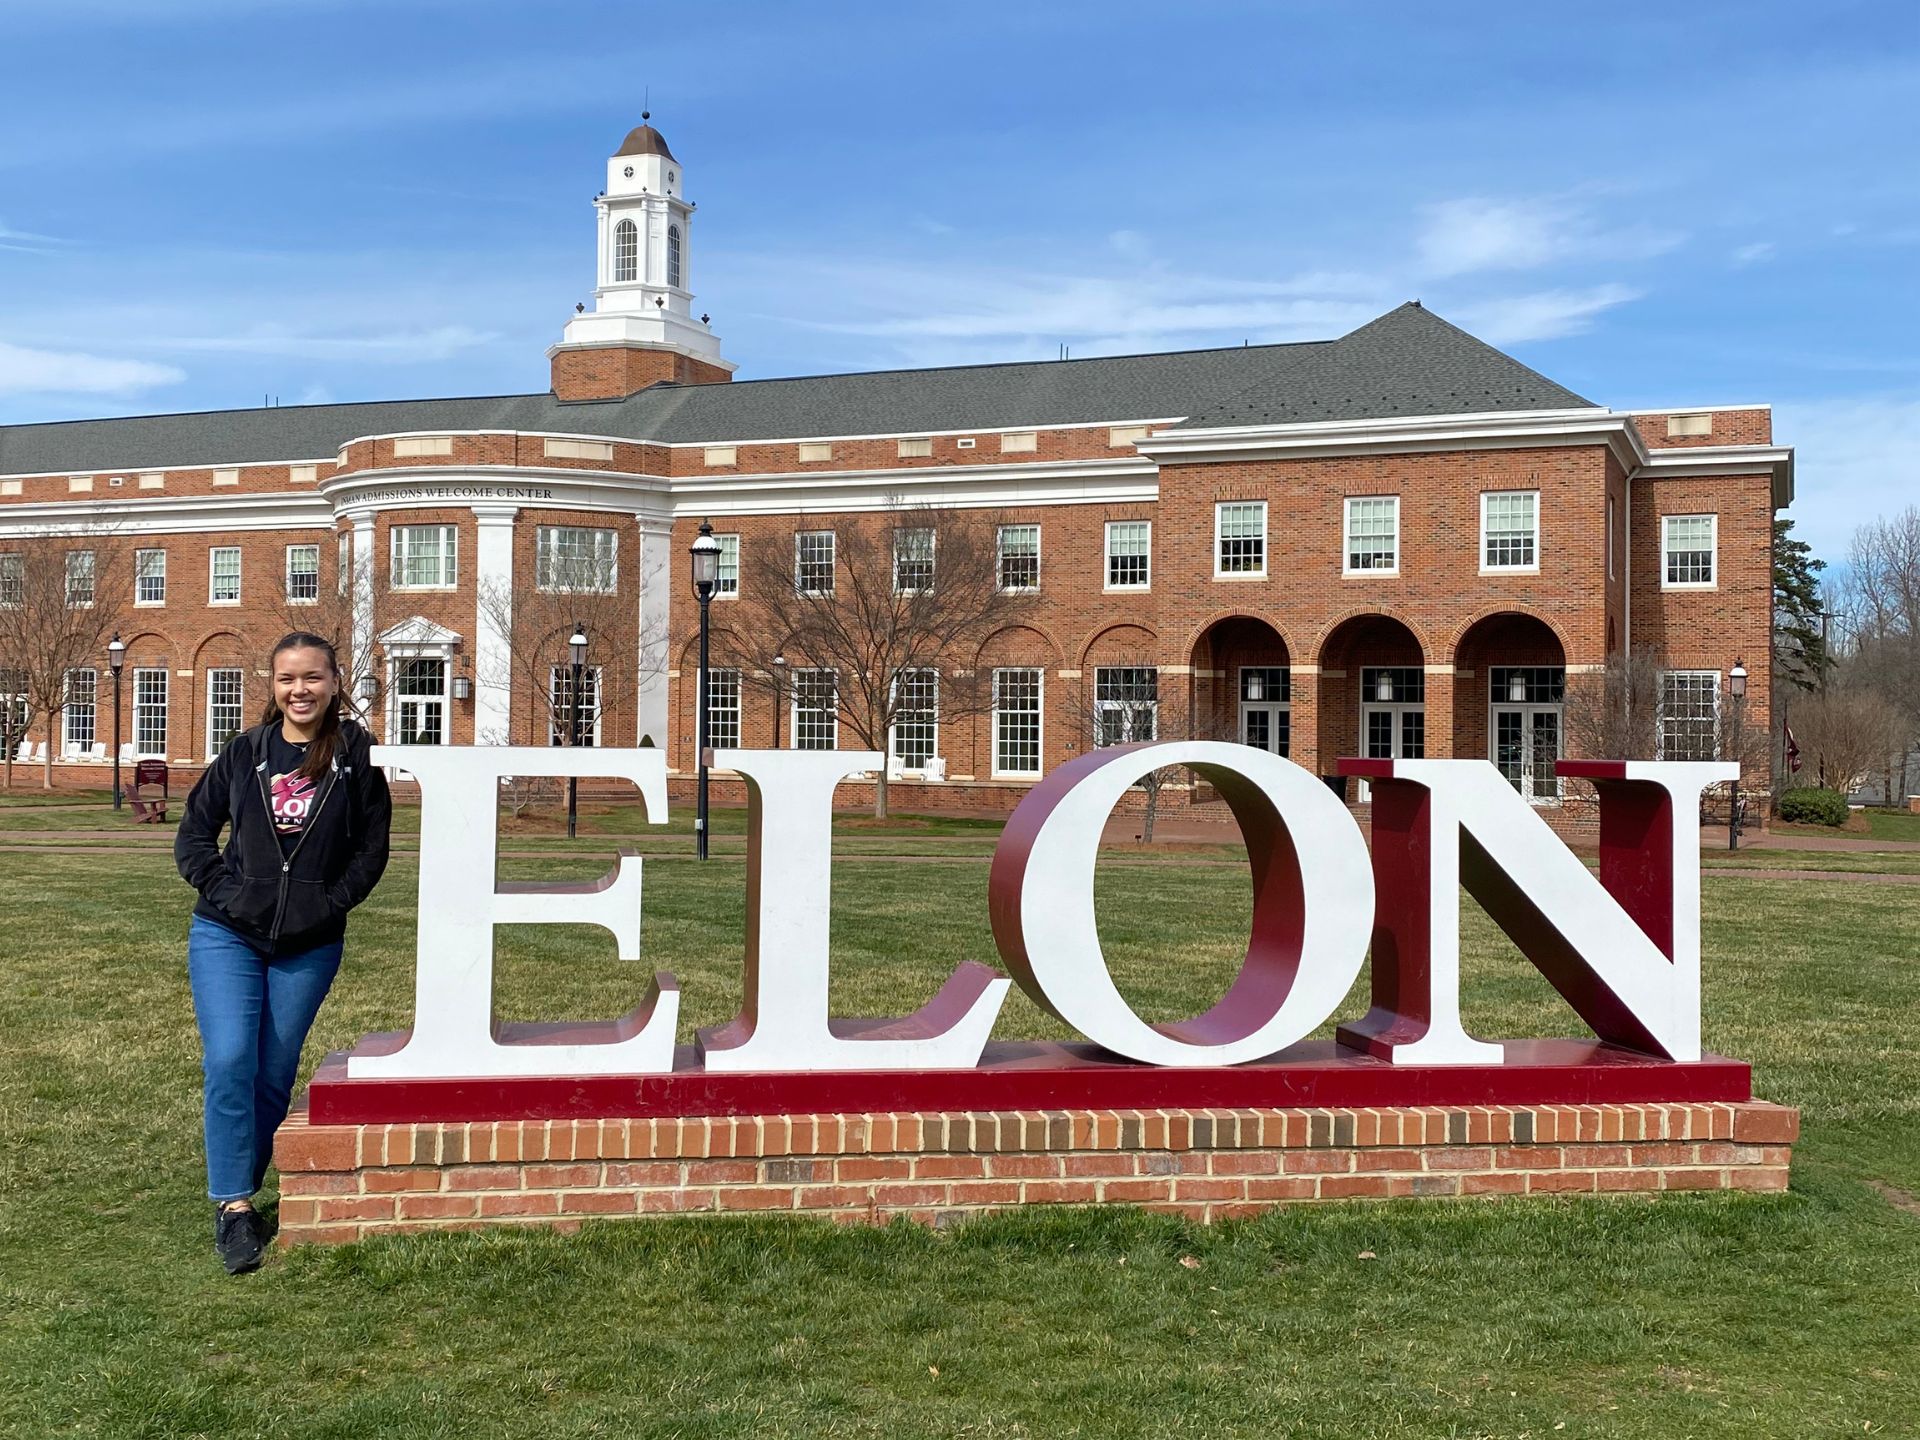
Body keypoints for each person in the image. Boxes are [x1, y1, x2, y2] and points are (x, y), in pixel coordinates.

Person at [174, 632, 391, 1274]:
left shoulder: (357, 754)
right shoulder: (245, 753)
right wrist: (233, 897)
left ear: (333, 681)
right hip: (227, 935)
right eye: (287, 678)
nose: (300, 690)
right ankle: (236, 1206)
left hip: (309, 942)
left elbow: (371, 850)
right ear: (272, 686)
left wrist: (328, 905)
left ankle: (243, 1181)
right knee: (231, 1059)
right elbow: (193, 840)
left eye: (313, 678)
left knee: (273, 1071)